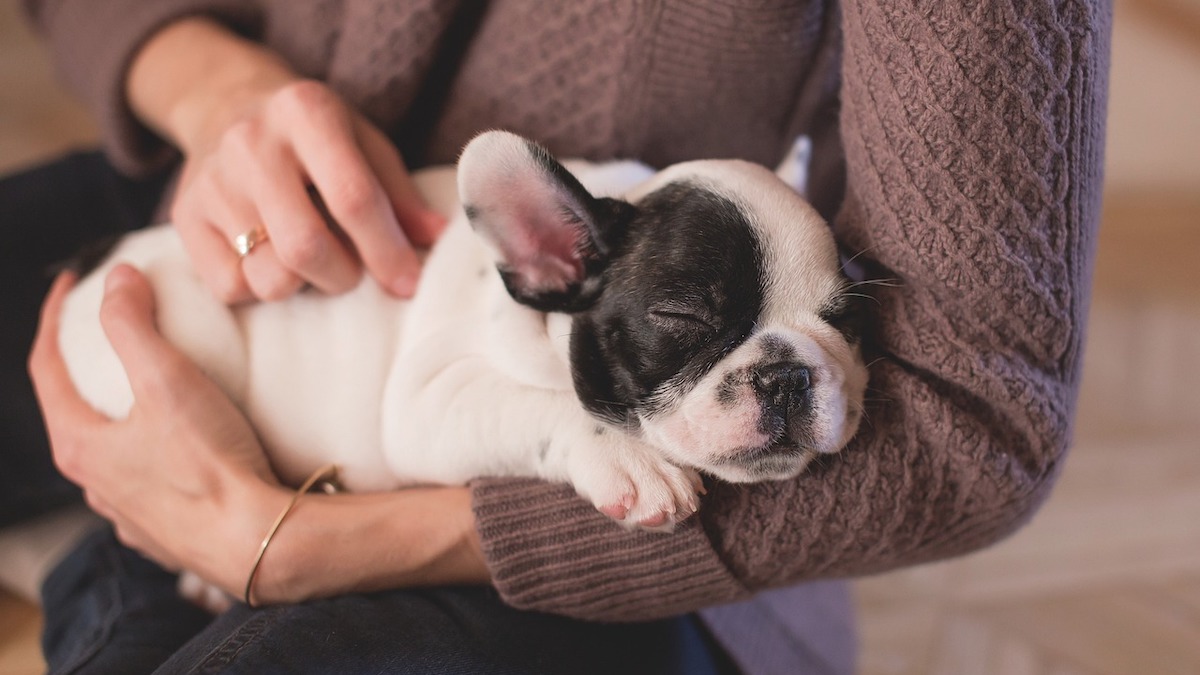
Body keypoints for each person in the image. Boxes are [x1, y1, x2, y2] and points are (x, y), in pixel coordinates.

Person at [7, 0, 1111, 673]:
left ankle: (118, 585)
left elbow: (977, 418)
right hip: (216, 251)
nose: (780, 377)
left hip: (544, 550)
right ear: (545, 259)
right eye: (693, 332)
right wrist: (218, 89)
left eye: (834, 324)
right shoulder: (559, 262)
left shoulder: (663, 271)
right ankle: (134, 571)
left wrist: (296, 549)